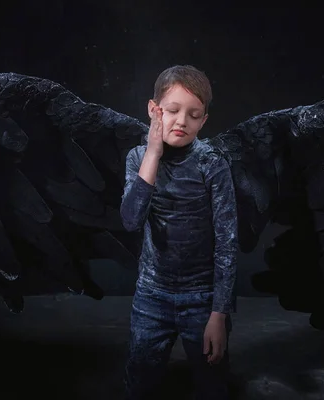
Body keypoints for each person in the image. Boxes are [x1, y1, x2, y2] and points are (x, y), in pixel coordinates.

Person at [120, 64, 239, 400]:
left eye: (193, 114)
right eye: (172, 111)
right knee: (140, 384)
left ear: (203, 120)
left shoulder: (212, 164)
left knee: (212, 385)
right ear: (153, 109)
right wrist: (154, 153)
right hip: (151, 296)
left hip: (202, 300)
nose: (182, 121)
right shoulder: (138, 158)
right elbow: (130, 220)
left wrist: (219, 313)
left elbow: (228, 243)